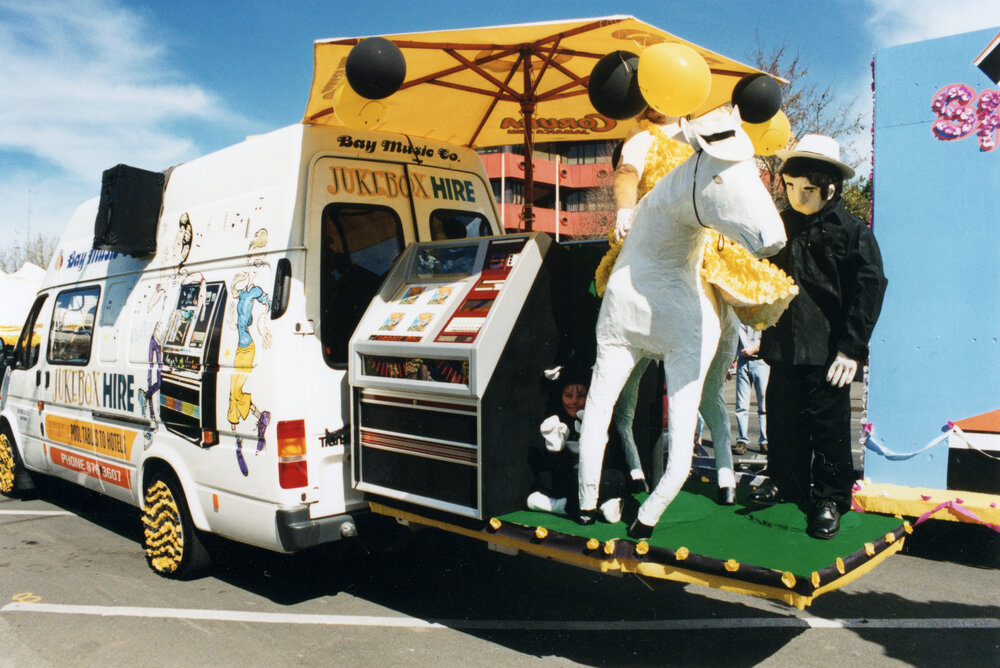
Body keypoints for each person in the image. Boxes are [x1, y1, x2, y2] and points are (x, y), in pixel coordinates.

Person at [753, 135, 887, 540]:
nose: (797, 196)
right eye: (790, 187)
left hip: (829, 352)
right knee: (781, 420)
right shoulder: (780, 225)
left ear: (830, 188)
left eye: (807, 189)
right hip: (783, 345)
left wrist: (851, 347)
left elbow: (870, 287)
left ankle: (829, 498)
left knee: (828, 426)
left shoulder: (850, 232)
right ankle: (784, 480)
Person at [527, 366, 625, 523]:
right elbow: (552, 467)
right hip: (568, 480)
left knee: (614, 478)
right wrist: (555, 447)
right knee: (543, 478)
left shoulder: (600, 419)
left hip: (594, 480)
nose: (573, 401)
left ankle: (560, 507)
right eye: (568, 395)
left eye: (581, 396)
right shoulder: (556, 421)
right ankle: (600, 507)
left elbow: (610, 462)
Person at [733, 322, 769, 455]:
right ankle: (742, 440)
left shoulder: (764, 315)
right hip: (743, 362)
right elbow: (733, 340)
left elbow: (770, 339)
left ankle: (764, 441)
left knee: (763, 405)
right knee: (741, 404)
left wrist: (755, 349)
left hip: (761, 362)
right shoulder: (740, 317)